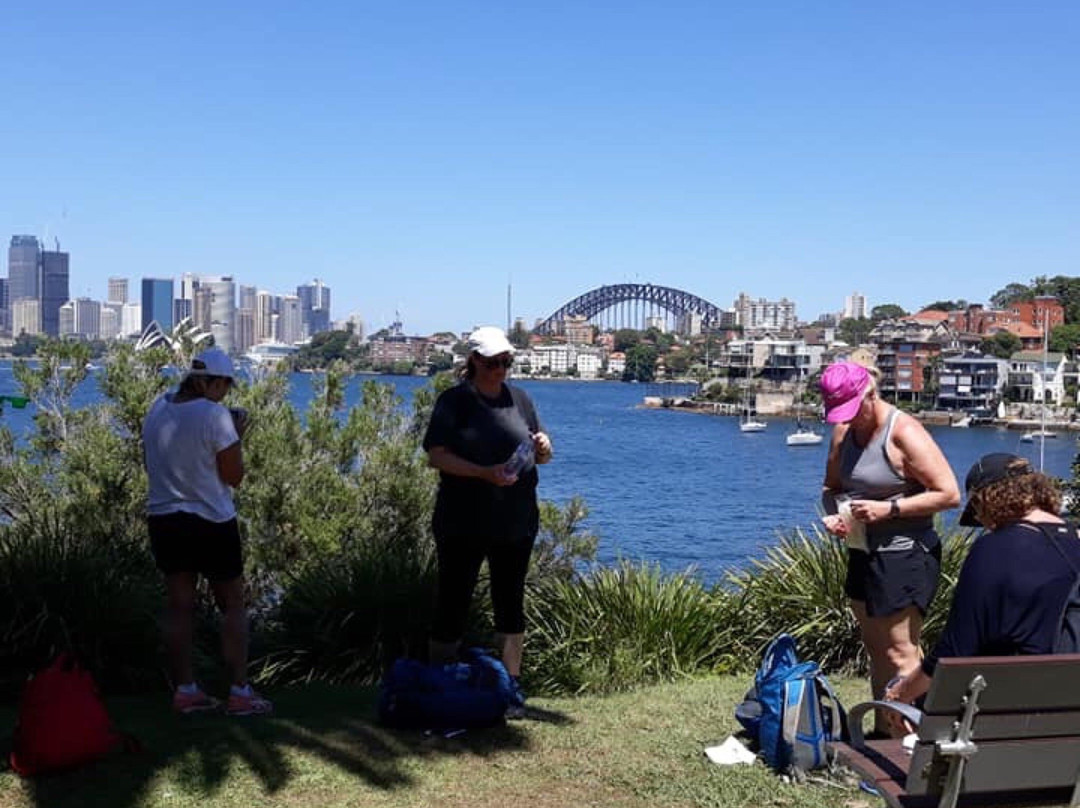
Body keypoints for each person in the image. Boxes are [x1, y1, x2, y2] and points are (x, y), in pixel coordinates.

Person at [819, 361, 960, 731]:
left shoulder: (905, 432)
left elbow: (949, 494)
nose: (846, 420)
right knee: (875, 647)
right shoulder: (842, 433)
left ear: (870, 394)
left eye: (851, 410)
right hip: (861, 549)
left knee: (901, 653)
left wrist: (890, 508)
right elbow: (831, 489)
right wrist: (836, 514)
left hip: (906, 553)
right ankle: (885, 732)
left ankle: (913, 742)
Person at [422, 325, 553, 717]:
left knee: (510, 603)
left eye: (507, 362)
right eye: (494, 362)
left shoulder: (522, 399)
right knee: (452, 601)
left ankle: (511, 689)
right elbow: (436, 455)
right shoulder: (454, 402)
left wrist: (544, 448)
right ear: (474, 361)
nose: (501, 369)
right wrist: (483, 472)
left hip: (516, 520)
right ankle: (438, 684)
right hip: (462, 520)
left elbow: (538, 454)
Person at [886, 453, 1080, 707]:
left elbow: (955, 652)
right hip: (1069, 703)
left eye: (977, 513)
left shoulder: (994, 549)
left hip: (1015, 708)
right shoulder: (1075, 538)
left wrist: (900, 694)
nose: (983, 523)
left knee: (905, 698)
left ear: (987, 501)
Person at [142, 347, 271, 716]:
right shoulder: (216, 416)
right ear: (209, 382)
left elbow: (149, 461)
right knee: (232, 604)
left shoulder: (158, 407)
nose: (226, 393)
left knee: (179, 606)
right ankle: (239, 691)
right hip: (211, 520)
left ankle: (186, 688)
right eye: (225, 385)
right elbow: (234, 477)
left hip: (165, 516)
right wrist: (237, 433)